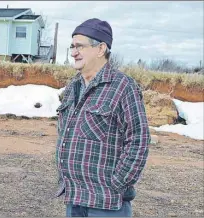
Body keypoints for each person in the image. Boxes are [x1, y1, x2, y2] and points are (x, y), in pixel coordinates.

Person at [55, 18, 150, 217]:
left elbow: (139, 140)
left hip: (106, 203)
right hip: (74, 198)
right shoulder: (74, 86)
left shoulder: (123, 87)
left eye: (79, 46)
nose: (73, 52)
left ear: (101, 49)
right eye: (72, 46)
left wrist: (118, 183)